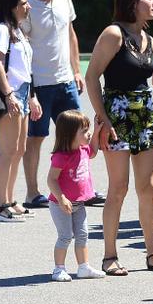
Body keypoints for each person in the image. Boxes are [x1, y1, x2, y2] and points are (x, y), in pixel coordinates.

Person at [85, 0, 153, 276]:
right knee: (118, 188)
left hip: (145, 113)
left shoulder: (148, 38)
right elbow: (92, 76)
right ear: (134, 3)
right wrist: (103, 118)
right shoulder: (113, 34)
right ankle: (110, 256)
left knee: (149, 188)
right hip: (117, 115)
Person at [21, 0, 94, 210]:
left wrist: (76, 70)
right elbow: (22, 47)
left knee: (78, 135)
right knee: (36, 138)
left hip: (66, 80)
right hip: (39, 83)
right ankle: (32, 192)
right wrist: (29, 90)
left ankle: (81, 189)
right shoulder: (26, 5)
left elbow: (70, 34)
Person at [0, 0, 40, 222]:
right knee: (7, 151)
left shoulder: (18, 31)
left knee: (19, 150)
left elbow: (25, 70)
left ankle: (9, 199)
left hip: (23, 93)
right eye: (23, 3)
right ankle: (0, 206)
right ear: (11, 7)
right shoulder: (1, 30)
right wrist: (9, 95)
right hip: (10, 94)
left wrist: (32, 97)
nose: (28, 6)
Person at [45, 110, 106, 281]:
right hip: (60, 204)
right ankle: (58, 269)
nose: (88, 135)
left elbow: (93, 151)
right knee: (65, 236)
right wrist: (61, 198)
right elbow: (51, 180)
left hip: (79, 204)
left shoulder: (83, 149)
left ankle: (83, 267)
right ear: (70, 134)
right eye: (84, 131)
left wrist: (96, 131)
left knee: (82, 234)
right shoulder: (60, 157)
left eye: (88, 131)